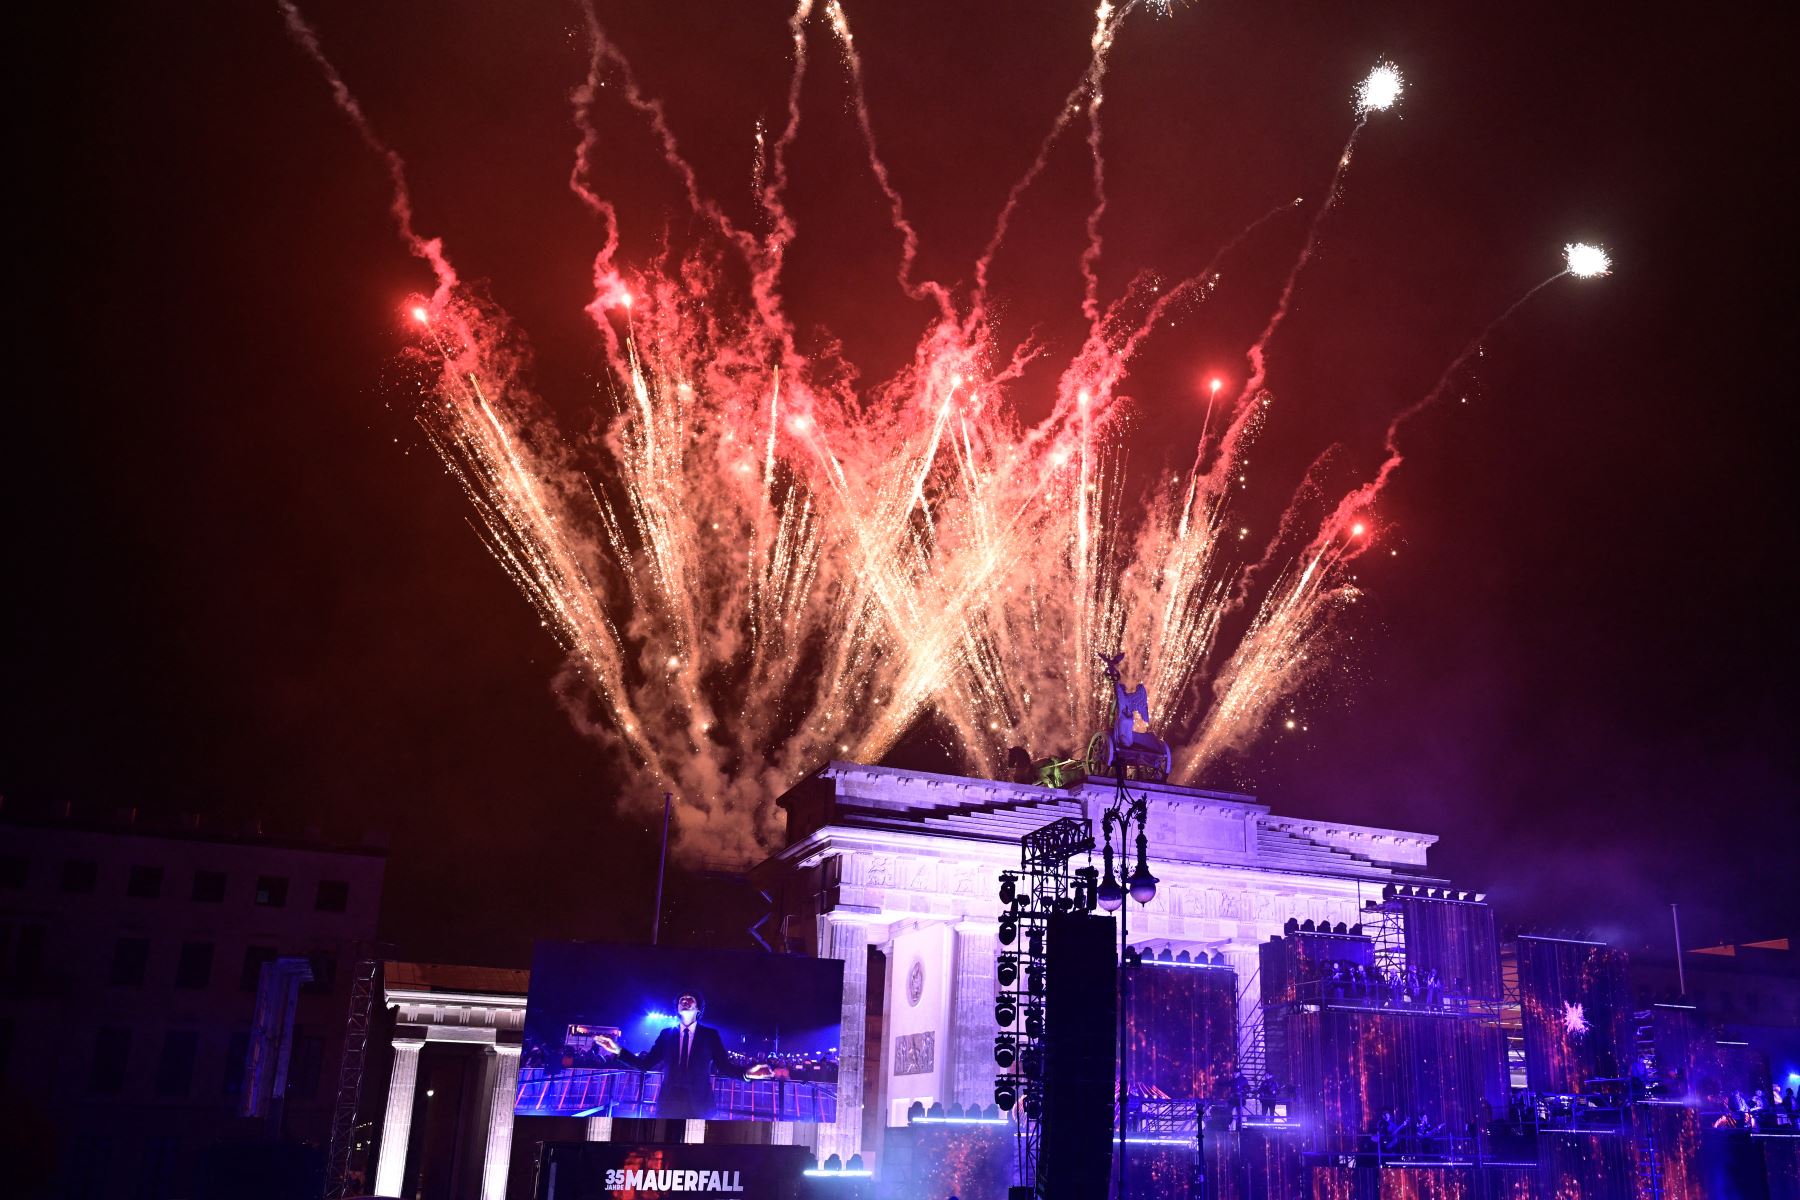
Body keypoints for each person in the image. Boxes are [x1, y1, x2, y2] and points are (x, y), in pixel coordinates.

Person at [594, 991, 772, 1119]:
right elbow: (645, 1064)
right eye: (682, 999)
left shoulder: (710, 1035)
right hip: (669, 1102)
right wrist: (618, 1050)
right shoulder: (666, 1034)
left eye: (690, 999)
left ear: (698, 1009)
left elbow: (724, 1067)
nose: (685, 1000)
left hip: (700, 1103)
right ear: (677, 1008)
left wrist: (747, 1074)